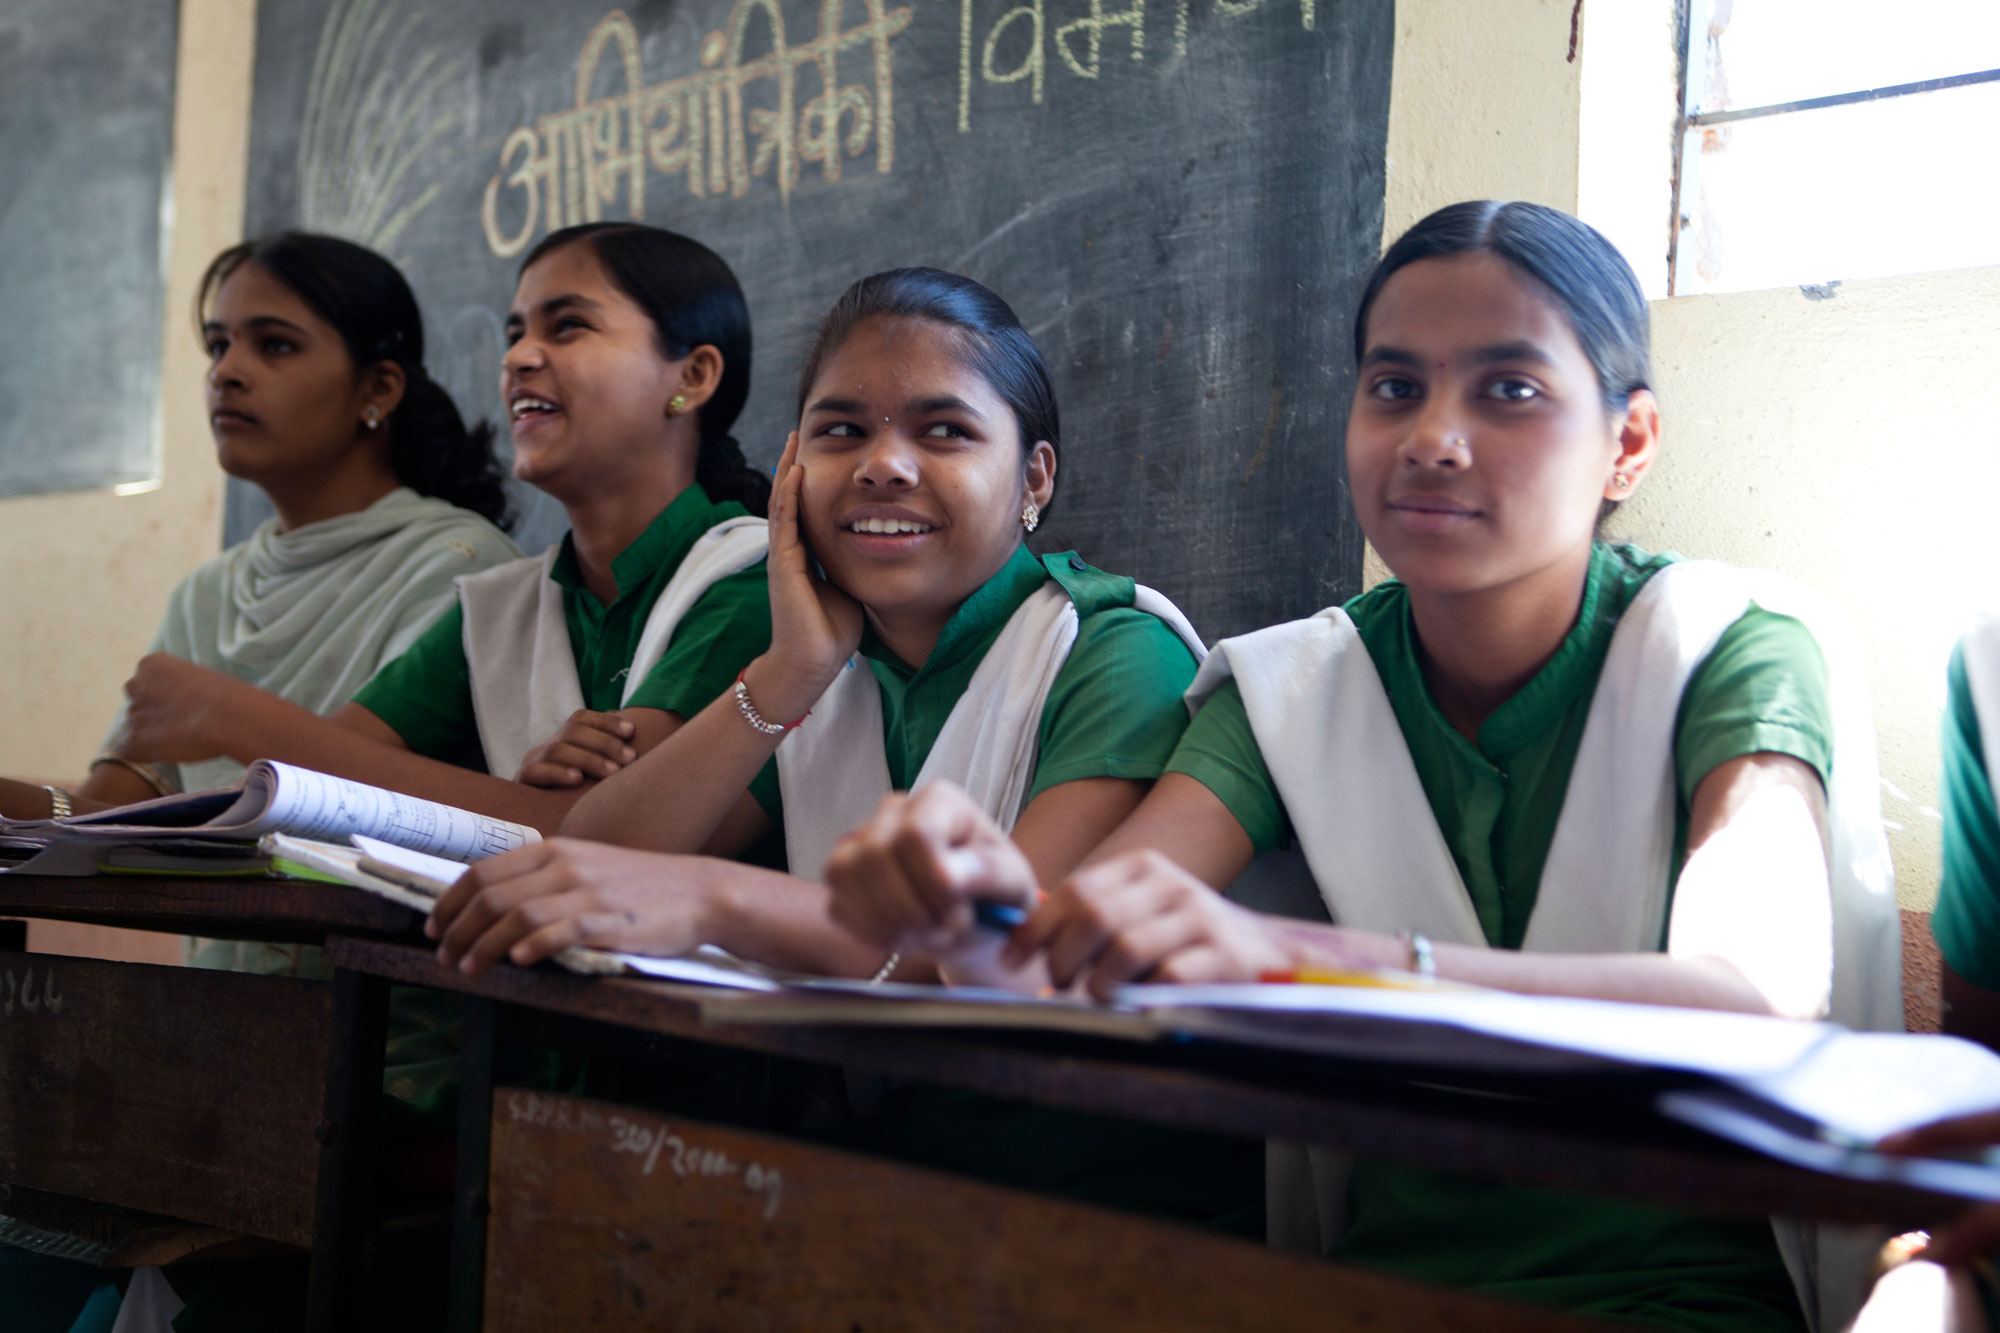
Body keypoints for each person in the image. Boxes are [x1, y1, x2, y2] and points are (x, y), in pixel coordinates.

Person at [819, 203, 1903, 1330]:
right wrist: (972, 922)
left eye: (1508, 390)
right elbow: (1067, 962)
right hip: (1366, 1287)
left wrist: (1309, 957)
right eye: (1392, 388)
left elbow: (1754, 998)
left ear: (1626, 444)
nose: (1432, 436)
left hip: (1679, 1299)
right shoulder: (1296, 685)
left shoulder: (1729, 645)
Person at [427, 268, 1261, 1233]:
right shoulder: (825, 670)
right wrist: (787, 671)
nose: (883, 465)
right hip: (873, 1192)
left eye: (943, 431)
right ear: (792, 473)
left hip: (1102, 1214)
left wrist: (716, 895)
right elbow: (603, 850)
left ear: (1034, 476)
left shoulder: (1115, 652)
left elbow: (1007, 954)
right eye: (840, 432)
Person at [101, 222, 774, 835]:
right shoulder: (502, 606)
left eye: (566, 327)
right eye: (514, 334)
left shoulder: (753, 582)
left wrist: (229, 715)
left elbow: (600, 834)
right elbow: (330, 785)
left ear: (693, 374)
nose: (519, 358)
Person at [0, 230, 518, 823]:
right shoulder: (207, 593)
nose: (228, 372)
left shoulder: (460, 568)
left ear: (377, 388)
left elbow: (359, 811)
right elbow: (101, 822)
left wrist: (226, 714)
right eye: (219, 345)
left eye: (275, 346)